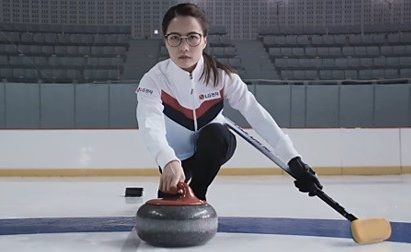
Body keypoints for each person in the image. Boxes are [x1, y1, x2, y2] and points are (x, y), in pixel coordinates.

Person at [136, 3, 322, 201]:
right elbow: (150, 125)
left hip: (213, 147)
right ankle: (177, 183)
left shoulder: (222, 78)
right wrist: (167, 159)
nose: (184, 47)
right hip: (175, 156)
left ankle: (198, 195)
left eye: (192, 37)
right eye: (175, 38)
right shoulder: (154, 79)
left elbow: (257, 115)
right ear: (166, 41)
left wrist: (293, 159)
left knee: (216, 133)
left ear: (204, 40)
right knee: (168, 197)